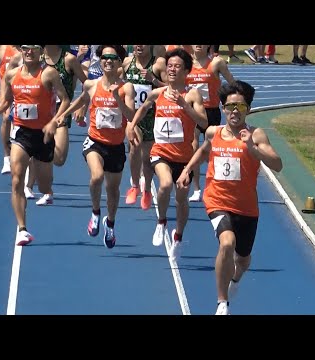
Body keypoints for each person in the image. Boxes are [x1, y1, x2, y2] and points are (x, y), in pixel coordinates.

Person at [176, 80, 283, 315]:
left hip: (246, 208)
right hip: (217, 200)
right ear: (223, 109)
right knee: (227, 243)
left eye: (241, 107)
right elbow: (204, 151)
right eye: (230, 107)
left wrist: (251, 148)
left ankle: (235, 279)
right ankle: (222, 302)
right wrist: (186, 170)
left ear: (249, 109)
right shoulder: (214, 132)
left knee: (243, 260)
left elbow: (278, 165)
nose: (235, 112)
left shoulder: (256, 134)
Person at [126, 48, 207, 260]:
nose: (171, 69)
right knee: (164, 184)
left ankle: (178, 236)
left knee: (181, 199)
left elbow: (204, 123)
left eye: (177, 66)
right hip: (160, 152)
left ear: (186, 70)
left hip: (184, 158)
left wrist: (183, 106)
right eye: (169, 66)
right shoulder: (158, 93)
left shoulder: (192, 95)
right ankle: (161, 221)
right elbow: (144, 107)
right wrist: (131, 125)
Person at [55, 45, 135, 249]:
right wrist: (64, 114)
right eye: (105, 57)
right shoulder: (91, 84)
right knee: (97, 176)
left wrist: (118, 99)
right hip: (95, 141)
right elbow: (82, 99)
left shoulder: (127, 88)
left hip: (116, 146)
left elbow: (132, 117)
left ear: (119, 62)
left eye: (113, 57)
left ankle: (111, 223)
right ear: (100, 60)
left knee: (113, 189)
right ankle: (95, 212)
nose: (108, 60)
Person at [0, 45, 70, 246]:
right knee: (17, 179)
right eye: (25, 48)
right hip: (22, 133)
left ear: (40, 52)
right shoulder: (11, 75)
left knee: (44, 185)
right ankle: (22, 229)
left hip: (43, 135)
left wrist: (54, 121)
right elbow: (6, 101)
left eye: (33, 48)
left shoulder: (49, 74)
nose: (29, 52)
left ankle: (46, 188)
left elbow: (65, 99)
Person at [25, 45, 88, 206]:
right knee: (34, 149)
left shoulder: (68, 60)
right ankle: (33, 187)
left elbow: (88, 85)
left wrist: (82, 106)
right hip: (38, 115)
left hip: (60, 115)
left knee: (59, 158)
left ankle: (40, 164)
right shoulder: (37, 59)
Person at [186, 45, 235, 202]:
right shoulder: (186, 63)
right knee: (193, 147)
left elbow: (232, 83)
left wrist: (235, 102)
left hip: (211, 112)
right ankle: (196, 188)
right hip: (193, 112)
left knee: (213, 151)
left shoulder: (216, 63)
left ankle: (218, 185)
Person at [122, 45, 167, 210]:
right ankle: (134, 185)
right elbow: (119, 82)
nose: (139, 46)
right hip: (134, 116)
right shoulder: (127, 63)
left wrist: (153, 80)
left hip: (153, 117)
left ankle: (146, 189)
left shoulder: (158, 64)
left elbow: (171, 87)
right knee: (134, 148)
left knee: (148, 158)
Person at [0, 45, 21, 174]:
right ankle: (6, 157)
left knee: (19, 123)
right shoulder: (4, 49)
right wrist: (4, 97)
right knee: (6, 117)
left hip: (22, 89)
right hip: (5, 88)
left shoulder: (29, 51)